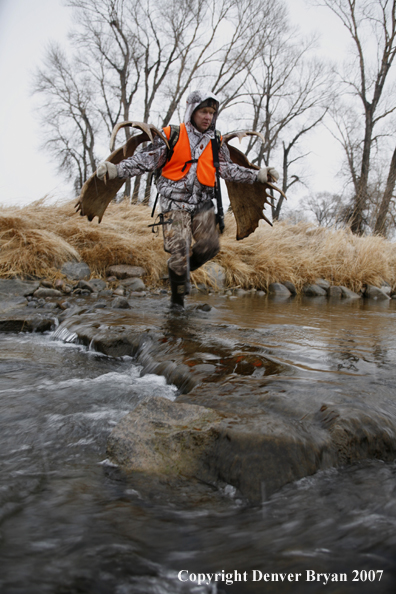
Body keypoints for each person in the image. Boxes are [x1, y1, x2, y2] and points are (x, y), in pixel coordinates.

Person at [96, 90, 279, 308]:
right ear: (192, 111)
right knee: (179, 249)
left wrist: (257, 175)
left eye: (211, 112)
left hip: (203, 204)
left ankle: (178, 269)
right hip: (174, 205)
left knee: (210, 248)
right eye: (203, 111)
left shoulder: (216, 141)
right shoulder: (171, 135)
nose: (208, 117)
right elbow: (145, 160)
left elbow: (228, 170)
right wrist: (116, 169)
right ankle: (177, 302)